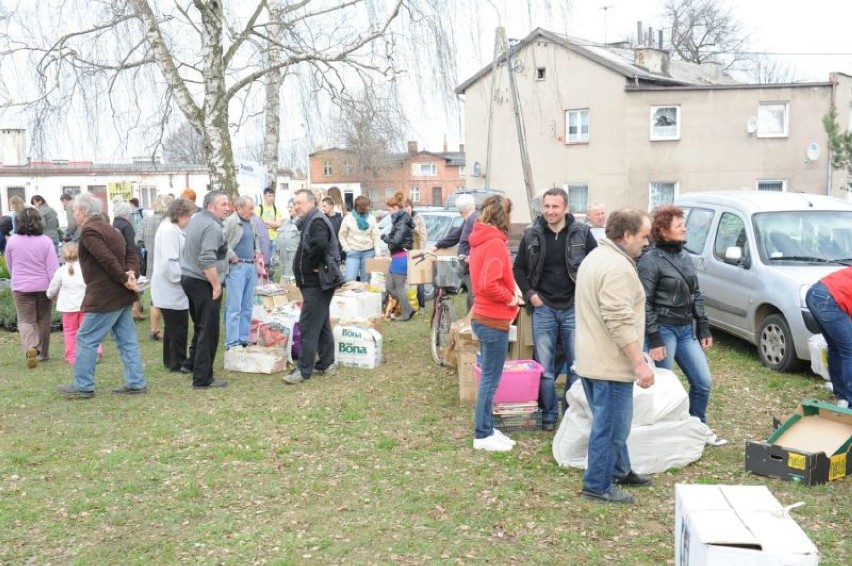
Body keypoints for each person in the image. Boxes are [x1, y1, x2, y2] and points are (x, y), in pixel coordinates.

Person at [574, 208, 654, 504]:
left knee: (609, 421)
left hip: (592, 359)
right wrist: (639, 362)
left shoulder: (597, 257)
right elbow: (618, 319)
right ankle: (597, 484)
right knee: (611, 427)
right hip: (609, 364)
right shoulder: (618, 268)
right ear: (627, 235)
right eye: (644, 237)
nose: (647, 243)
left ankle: (620, 469)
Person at [639, 205, 727, 447]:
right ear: (664, 231)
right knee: (662, 388)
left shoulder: (685, 256)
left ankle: (697, 428)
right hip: (663, 329)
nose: (685, 228)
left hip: (686, 329)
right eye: (679, 225)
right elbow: (644, 301)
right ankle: (659, 436)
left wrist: (704, 326)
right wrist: (654, 338)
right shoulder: (650, 260)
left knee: (703, 382)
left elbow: (695, 292)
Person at [513, 187, 597, 431]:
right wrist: (531, 295)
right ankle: (549, 414)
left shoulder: (582, 232)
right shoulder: (532, 234)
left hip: (573, 308)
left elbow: (595, 265)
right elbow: (518, 268)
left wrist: (585, 297)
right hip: (544, 308)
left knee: (576, 366)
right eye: (546, 206)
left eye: (555, 207)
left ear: (566, 208)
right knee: (545, 368)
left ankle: (570, 414)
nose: (549, 211)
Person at [56, 193, 147, 397]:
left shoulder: (89, 231)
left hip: (106, 295)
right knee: (127, 340)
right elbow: (131, 253)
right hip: (121, 294)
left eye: (74, 211)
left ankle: (83, 385)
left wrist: (126, 277)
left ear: (83, 211)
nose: (74, 215)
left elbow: (105, 258)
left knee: (86, 338)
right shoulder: (111, 228)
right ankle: (136, 382)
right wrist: (130, 274)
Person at [469, 195, 520, 451]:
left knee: (490, 378)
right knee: (491, 379)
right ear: (504, 216)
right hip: (492, 318)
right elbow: (490, 283)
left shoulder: (481, 240)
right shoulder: (495, 244)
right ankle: (482, 434)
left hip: (484, 316)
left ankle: (488, 428)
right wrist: (511, 297)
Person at [283, 189, 343, 385]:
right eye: (294, 203)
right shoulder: (311, 220)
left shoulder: (316, 220)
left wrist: (311, 265)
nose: (296, 206)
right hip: (315, 283)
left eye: (299, 203)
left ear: (311, 203)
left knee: (308, 325)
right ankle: (327, 363)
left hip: (317, 283)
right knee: (322, 322)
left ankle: (304, 369)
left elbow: (320, 244)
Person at [181, 190, 230, 389]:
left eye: (228, 204)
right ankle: (203, 378)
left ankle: (194, 365)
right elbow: (206, 258)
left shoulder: (197, 219)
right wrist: (216, 285)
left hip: (189, 278)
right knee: (208, 330)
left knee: (201, 326)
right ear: (211, 207)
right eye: (223, 204)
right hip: (203, 281)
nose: (228, 208)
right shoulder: (211, 226)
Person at [5, 207, 59, 368]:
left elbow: (10, 265)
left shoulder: (12, 241)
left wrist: (17, 278)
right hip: (44, 286)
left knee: (26, 320)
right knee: (44, 319)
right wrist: (55, 288)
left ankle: (31, 347)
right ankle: (43, 353)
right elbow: (52, 268)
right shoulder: (46, 241)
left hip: (21, 287)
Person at [152, 198, 195, 373]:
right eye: (189, 216)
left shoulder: (172, 227)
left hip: (172, 286)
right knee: (178, 326)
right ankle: (178, 360)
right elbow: (169, 262)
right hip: (171, 285)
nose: (190, 219)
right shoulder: (169, 231)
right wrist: (183, 278)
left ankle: (170, 360)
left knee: (171, 327)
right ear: (180, 215)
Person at [46, 242, 104, 364]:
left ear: (62, 256)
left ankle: (72, 356)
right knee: (90, 329)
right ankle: (96, 351)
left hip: (68, 307)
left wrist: (51, 296)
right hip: (86, 305)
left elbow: (52, 289)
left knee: (70, 332)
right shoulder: (86, 268)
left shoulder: (61, 271)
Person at [806, 266, 852, 408]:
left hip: (814, 293)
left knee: (836, 348)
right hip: (829, 299)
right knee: (849, 352)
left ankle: (842, 397)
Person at [223, 195, 264, 351]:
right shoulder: (231, 222)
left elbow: (256, 239)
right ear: (239, 208)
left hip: (250, 266)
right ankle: (232, 343)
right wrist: (231, 256)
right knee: (234, 307)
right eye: (250, 208)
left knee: (247, 305)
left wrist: (257, 252)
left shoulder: (251, 221)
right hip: (237, 267)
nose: (253, 212)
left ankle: (243, 339)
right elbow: (221, 241)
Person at [138, 194, 174, 341]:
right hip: (169, 262)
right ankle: (169, 329)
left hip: (152, 263)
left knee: (155, 297)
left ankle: (154, 329)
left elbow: (137, 239)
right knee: (170, 297)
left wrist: (146, 246)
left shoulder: (147, 220)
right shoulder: (172, 222)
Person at [433, 193, 478, 311]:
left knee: (474, 295)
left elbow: (478, 243)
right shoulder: (469, 220)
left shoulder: (474, 220)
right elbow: (457, 235)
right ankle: (470, 321)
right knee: (470, 294)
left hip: (471, 265)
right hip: (467, 265)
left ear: (461, 211)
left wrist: (470, 257)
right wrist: (438, 245)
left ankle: (475, 321)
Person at [381, 191, 415, 322]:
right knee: (389, 286)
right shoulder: (399, 220)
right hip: (396, 256)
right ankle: (408, 307)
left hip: (401, 256)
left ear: (397, 208)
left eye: (391, 207)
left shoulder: (401, 222)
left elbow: (396, 241)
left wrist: (385, 237)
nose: (389, 210)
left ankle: (407, 312)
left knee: (399, 287)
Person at [338, 195, 381, 282]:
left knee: (366, 280)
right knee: (349, 279)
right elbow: (341, 235)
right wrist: (347, 249)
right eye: (367, 205)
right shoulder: (348, 218)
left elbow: (376, 236)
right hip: (353, 253)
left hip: (369, 253)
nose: (369, 207)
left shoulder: (371, 218)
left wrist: (378, 253)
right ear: (361, 207)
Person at [113, 201, 145, 320]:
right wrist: (138, 259)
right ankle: (135, 310)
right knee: (135, 282)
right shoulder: (126, 225)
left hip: (120, 258)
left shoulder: (114, 223)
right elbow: (133, 244)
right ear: (126, 214)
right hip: (129, 258)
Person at [405, 198, 428, 312]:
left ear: (411, 207)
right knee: (406, 279)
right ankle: (408, 305)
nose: (407, 210)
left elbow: (423, 235)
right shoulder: (400, 219)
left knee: (419, 280)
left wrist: (421, 251)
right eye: (405, 208)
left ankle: (422, 306)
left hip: (416, 251)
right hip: (404, 251)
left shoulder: (418, 218)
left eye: (408, 208)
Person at [276, 198, 301, 280]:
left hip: (293, 255)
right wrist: (278, 249)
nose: (290, 209)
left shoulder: (302, 222)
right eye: (288, 207)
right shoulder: (285, 221)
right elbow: (279, 235)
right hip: (283, 255)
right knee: (284, 278)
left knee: (292, 279)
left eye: (291, 207)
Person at [258, 187, 282, 274]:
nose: (271, 197)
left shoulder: (276, 209)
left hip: (273, 238)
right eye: (269, 195)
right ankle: (262, 279)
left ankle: (270, 281)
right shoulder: (259, 209)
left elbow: (278, 224)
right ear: (264, 196)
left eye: (273, 196)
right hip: (263, 239)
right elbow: (258, 223)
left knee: (272, 263)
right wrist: (273, 224)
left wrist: (265, 222)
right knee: (263, 261)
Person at [321, 196, 345, 262]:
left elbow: (342, 235)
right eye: (322, 206)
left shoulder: (340, 219)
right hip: (325, 251)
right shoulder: (322, 219)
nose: (322, 208)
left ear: (331, 206)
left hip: (337, 251)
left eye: (324, 206)